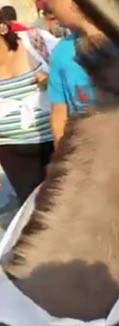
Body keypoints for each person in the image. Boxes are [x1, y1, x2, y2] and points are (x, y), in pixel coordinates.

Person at [0, 13, 56, 203]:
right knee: (36, 213)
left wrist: (52, 80)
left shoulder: (37, 41)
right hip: (12, 153)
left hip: (59, 142)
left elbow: (76, 73)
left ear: (2, 28)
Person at [47, 0, 102, 147]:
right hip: (87, 150)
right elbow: (59, 112)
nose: (49, 4)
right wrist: (61, 151)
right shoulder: (61, 51)